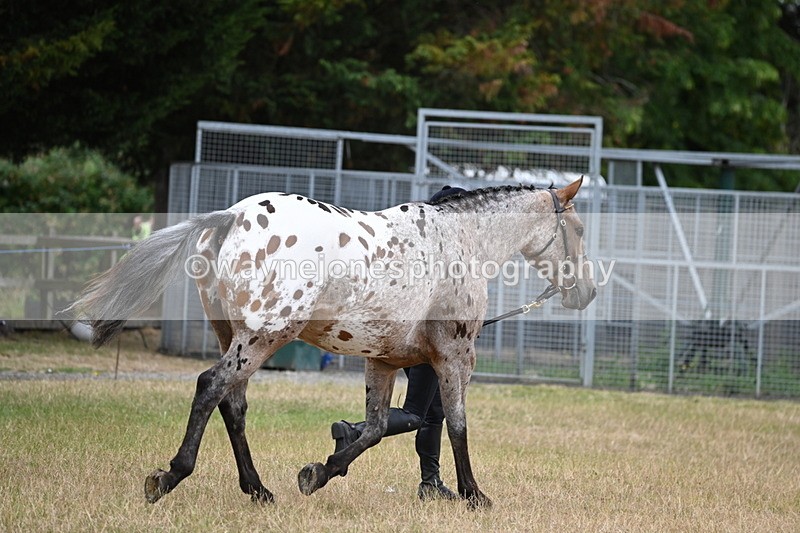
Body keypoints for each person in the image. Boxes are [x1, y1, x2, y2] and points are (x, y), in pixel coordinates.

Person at [330, 185, 466, 501]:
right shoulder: (444, 255)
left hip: (412, 339)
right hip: (426, 347)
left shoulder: (417, 248)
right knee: (417, 413)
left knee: (433, 413)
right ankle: (354, 430)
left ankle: (430, 483)